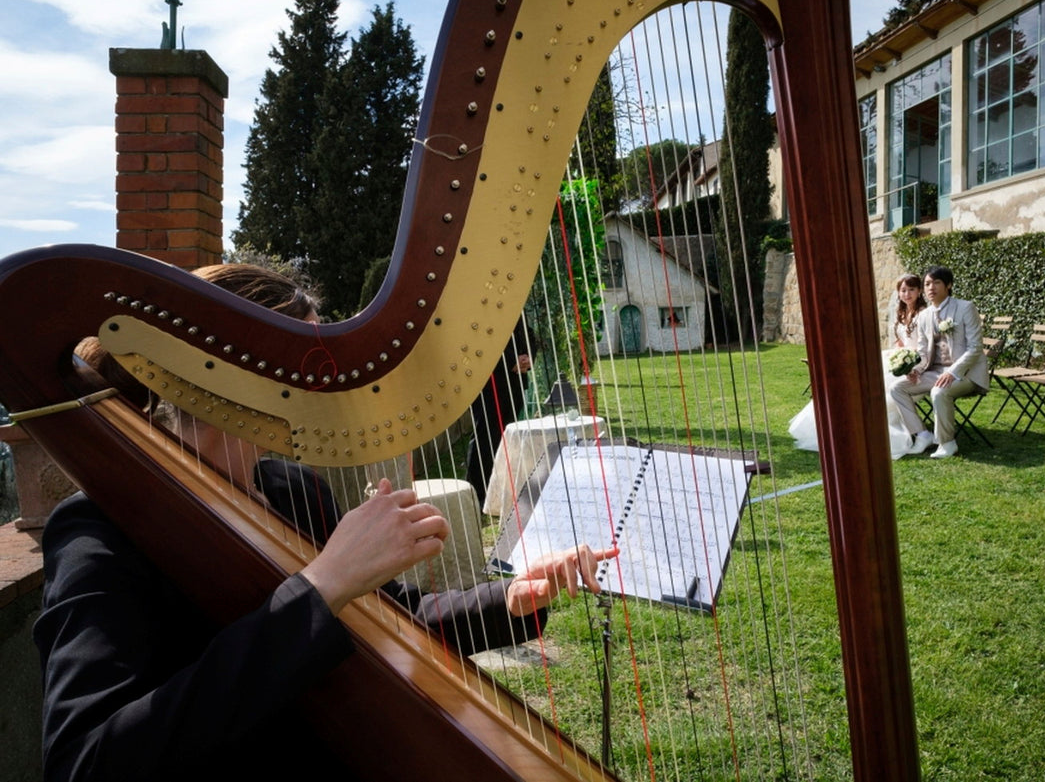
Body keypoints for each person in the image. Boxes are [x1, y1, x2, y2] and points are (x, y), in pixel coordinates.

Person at [34, 262, 618, 782]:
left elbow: (394, 618)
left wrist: (512, 597)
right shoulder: (99, 534)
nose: (331, 387)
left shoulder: (291, 488)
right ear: (236, 380)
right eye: (310, 370)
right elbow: (85, 760)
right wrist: (322, 585)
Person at [787, 273, 926, 459]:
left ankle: (879, 434)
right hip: (901, 357)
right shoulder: (901, 313)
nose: (907, 294)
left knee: (883, 392)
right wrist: (898, 355)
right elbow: (900, 342)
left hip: (918, 362)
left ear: (919, 291)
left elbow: (925, 345)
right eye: (903, 290)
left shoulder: (925, 313)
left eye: (911, 290)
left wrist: (908, 359)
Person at [889, 265, 988, 459]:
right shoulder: (924, 315)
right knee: (897, 388)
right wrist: (916, 369)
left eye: (936, 282)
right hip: (934, 371)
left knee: (939, 391)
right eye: (927, 283)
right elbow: (923, 351)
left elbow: (975, 348)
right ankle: (922, 434)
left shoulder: (965, 307)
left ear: (948, 285)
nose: (930, 287)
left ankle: (947, 443)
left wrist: (952, 372)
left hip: (965, 373)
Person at [464, 313, 536, 505]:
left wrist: (528, 357)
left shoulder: (514, 301)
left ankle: (498, 491)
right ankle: (476, 496)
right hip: (489, 382)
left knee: (506, 438)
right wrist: (511, 360)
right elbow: (480, 338)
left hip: (515, 381)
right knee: (485, 438)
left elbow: (526, 333)